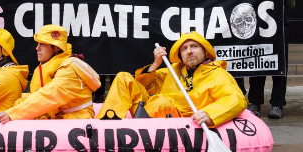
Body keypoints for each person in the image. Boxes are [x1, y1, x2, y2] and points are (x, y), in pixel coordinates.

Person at [97, 31, 248, 126]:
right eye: (184, 49)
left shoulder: (217, 74)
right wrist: (155, 64)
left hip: (181, 120)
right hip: (149, 113)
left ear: (205, 51)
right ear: (180, 55)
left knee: (161, 102)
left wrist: (209, 114)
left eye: (194, 47)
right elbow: (146, 85)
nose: (189, 52)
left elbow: (236, 99)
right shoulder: (174, 70)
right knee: (123, 76)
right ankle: (105, 126)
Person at [0, 25, 101, 123]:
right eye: (38, 43)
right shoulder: (46, 66)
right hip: (61, 118)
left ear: (57, 48)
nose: (37, 48)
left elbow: (50, 95)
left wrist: (12, 114)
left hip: (77, 120)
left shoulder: (69, 68)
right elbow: (35, 95)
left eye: (43, 44)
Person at [244, 0, 295, 119]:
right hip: (258, 31)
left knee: (279, 67)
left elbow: (292, 5)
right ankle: (254, 103)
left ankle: (277, 104)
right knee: (257, 65)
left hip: (279, 30)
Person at [198, 0, 245, 93]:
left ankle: (240, 94)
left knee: (236, 63)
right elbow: (201, 3)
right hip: (215, 28)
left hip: (233, 27)